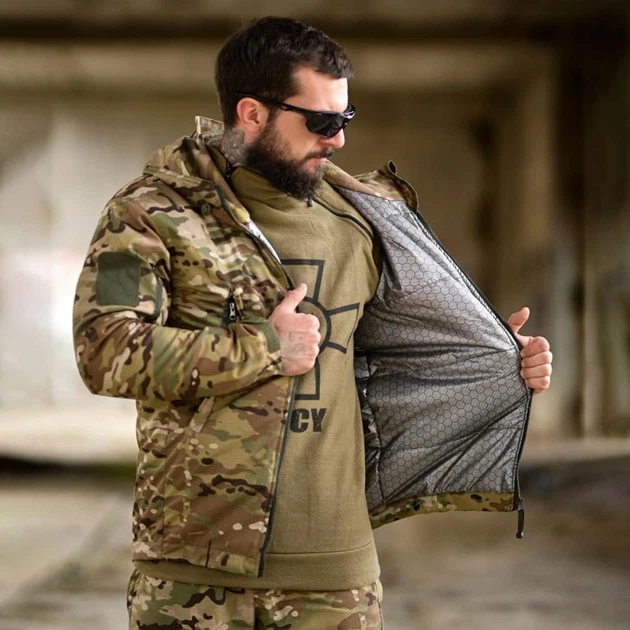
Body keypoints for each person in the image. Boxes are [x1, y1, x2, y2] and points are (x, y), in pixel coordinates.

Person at [73, 16, 553, 630]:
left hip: (336, 578)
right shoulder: (145, 214)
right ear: (252, 113)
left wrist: (497, 361)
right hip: (193, 578)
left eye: (345, 118)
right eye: (322, 122)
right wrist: (263, 348)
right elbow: (104, 349)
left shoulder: (363, 220)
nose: (340, 140)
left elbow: (389, 360)